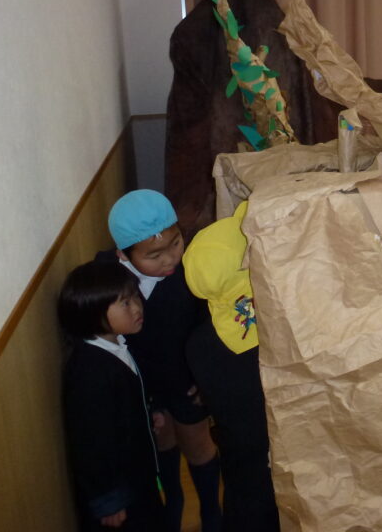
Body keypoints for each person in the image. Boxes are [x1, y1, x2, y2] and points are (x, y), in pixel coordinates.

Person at [105, 190, 222, 532]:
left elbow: (211, 328)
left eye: (176, 243)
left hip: (186, 377)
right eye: (154, 255)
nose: (170, 259)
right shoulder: (114, 282)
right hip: (144, 382)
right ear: (123, 255)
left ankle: (211, 511)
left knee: (198, 444)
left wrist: (207, 377)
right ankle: (173, 501)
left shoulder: (191, 273)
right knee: (162, 442)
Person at [183, 201, 280, 532]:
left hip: (237, 450)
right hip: (275, 447)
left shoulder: (199, 344)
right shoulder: (274, 325)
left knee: (242, 496)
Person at [59, 261, 165, 531]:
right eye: (125, 304)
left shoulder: (116, 345)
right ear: (92, 312)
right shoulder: (90, 371)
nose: (137, 307)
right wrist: (109, 501)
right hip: (120, 497)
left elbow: (123, 404)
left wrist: (147, 412)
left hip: (138, 479)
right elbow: (91, 442)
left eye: (135, 298)